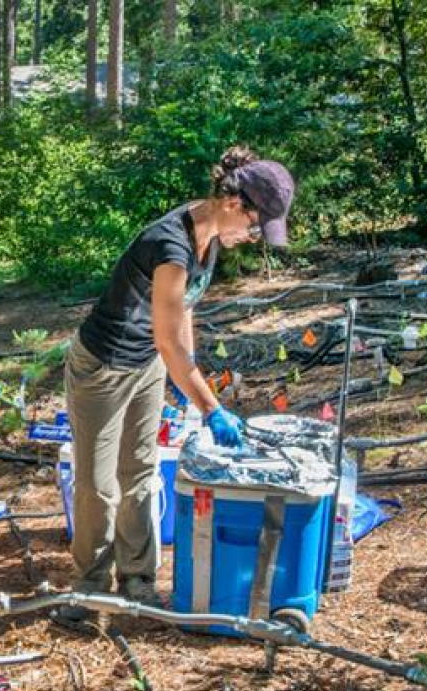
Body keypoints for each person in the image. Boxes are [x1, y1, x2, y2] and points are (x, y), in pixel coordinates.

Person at [65, 146, 295, 600]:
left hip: (146, 362)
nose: (253, 237)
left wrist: (187, 378)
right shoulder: (170, 245)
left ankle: (138, 582)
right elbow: (169, 341)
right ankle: (87, 590)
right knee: (98, 486)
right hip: (103, 367)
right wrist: (211, 409)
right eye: (254, 225)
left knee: (140, 472)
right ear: (233, 204)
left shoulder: (204, 237)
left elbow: (181, 316)